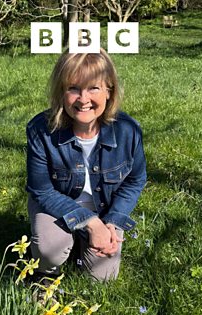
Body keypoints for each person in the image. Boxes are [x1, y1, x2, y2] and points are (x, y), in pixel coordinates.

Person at [26, 48, 146, 281]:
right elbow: (41, 190)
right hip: (56, 208)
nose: (83, 99)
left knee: (103, 277)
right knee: (50, 250)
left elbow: (135, 180)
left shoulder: (128, 130)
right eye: (73, 88)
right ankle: (44, 275)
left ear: (109, 90)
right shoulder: (41, 130)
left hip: (105, 209)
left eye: (94, 88)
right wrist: (90, 223)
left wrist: (112, 220)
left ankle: (80, 243)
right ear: (61, 92)